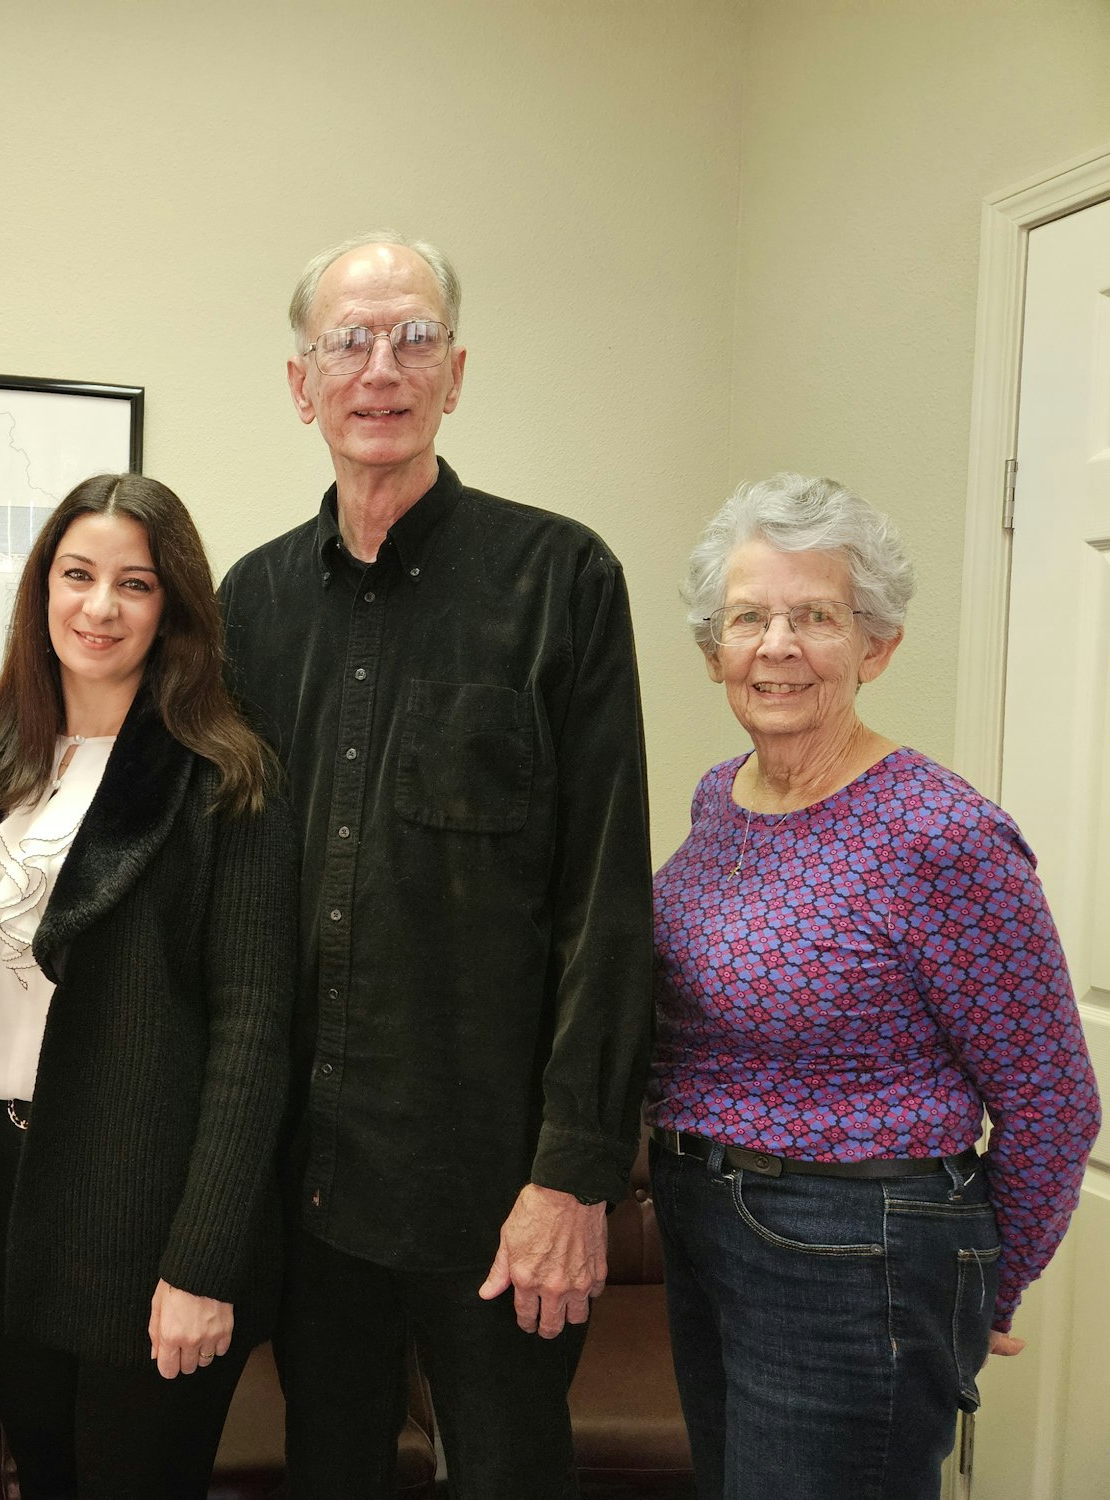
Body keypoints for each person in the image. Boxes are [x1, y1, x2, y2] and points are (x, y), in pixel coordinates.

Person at [216, 231, 654, 1498]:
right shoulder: (249, 606)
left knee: (510, 1472)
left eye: (411, 337)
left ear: (454, 373)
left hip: (494, 1193)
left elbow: (601, 904)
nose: (380, 367)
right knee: (331, 1469)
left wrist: (572, 1178)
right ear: (301, 383)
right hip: (307, 1192)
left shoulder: (559, 580)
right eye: (346, 340)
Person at [648, 472, 1100, 1499]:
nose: (775, 645)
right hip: (702, 1225)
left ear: (874, 645)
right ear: (710, 648)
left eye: (814, 616)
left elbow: (1051, 1100)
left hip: (850, 1255)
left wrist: (984, 1282)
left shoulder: (940, 836)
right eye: (748, 617)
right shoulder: (719, 797)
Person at [0, 473, 297, 1500]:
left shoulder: (225, 777)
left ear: (171, 607)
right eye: (76, 575)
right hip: (8, 1197)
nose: (99, 607)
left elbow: (253, 1032)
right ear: (41, 589)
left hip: (146, 1207)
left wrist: (202, 1263)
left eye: (133, 584)